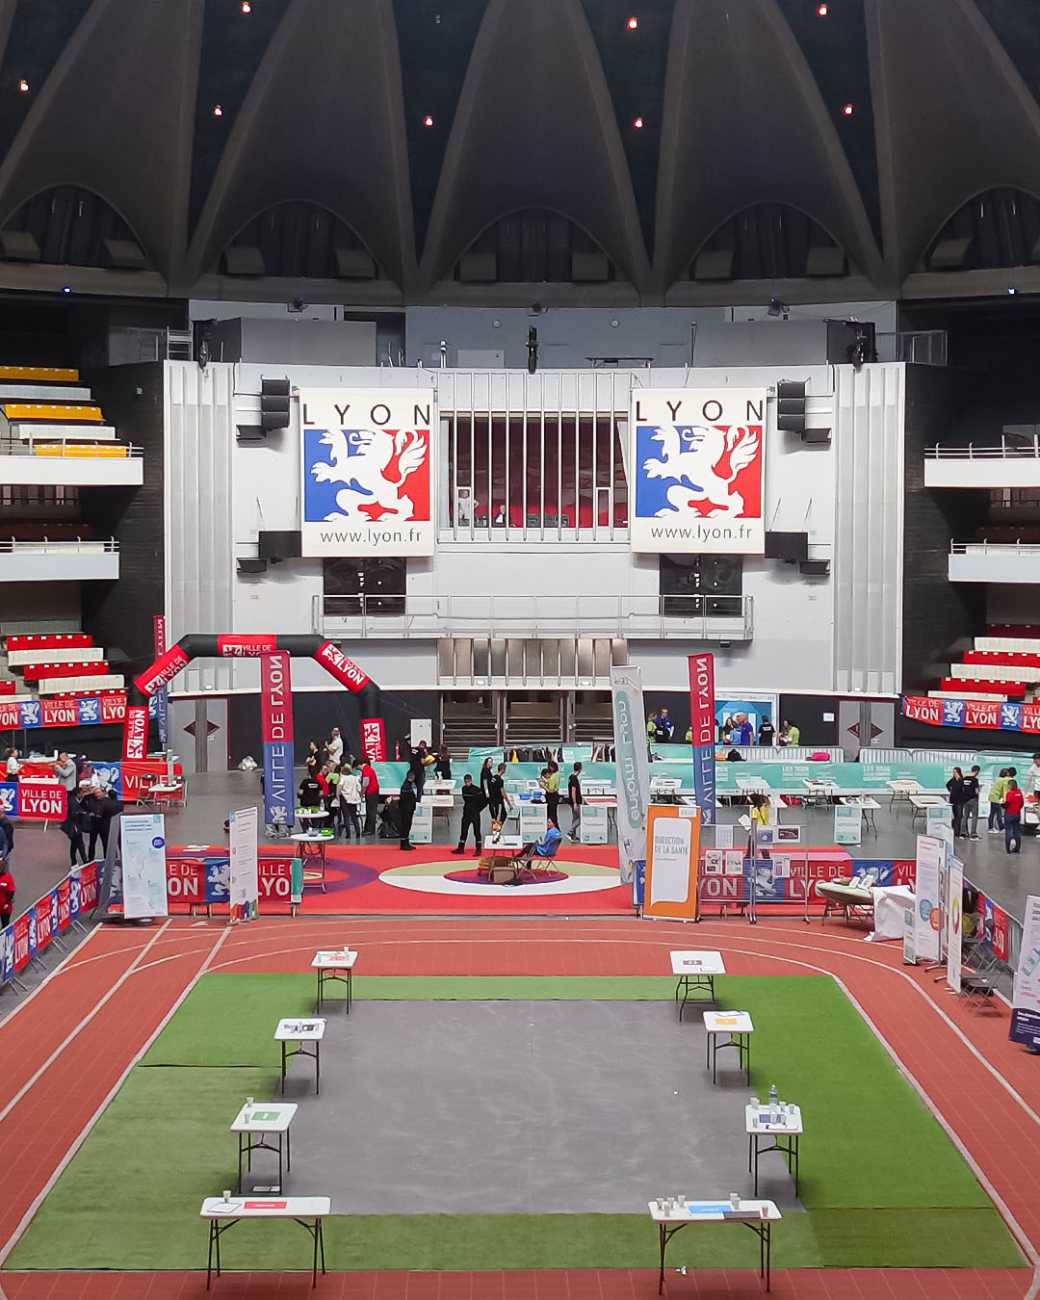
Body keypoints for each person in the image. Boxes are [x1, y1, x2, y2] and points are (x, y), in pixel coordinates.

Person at [82, 787, 123, 859]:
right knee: (92, 843)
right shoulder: (91, 800)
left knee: (105, 843)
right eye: (96, 793)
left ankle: (106, 858)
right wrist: (90, 793)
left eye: (99, 792)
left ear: (103, 793)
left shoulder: (107, 801)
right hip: (94, 825)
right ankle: (91, 859)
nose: (97, 794)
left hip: (104, 825)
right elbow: (84, 803)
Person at [452, 773, 486, 855]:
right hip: (466, 813)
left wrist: (478, 810)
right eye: (466, 781)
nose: (467, 783)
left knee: (477, 832)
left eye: (468, 781)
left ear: (471, 781)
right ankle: (461, 848)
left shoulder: (477, 790)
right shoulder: (463, 789)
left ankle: (478, 849)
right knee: (463, 831)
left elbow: (484, 802)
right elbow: (466, 800)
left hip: (475, 813)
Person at [338, 763, 362, 841]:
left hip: (345, 799)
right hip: (353, 799)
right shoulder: (355, 778)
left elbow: (340, 787)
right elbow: (359, 788)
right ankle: (358, 831)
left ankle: (348, 834)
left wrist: (337, 795)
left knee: (346, 816)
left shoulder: (343, 778)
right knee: (354, 816)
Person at [397, 772, 417, 851]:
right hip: (406, 809)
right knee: (406, 826)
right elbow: (407, 799)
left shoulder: (407, 785)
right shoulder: (406, 787)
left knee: (407, 825)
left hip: (407, 809)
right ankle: (404, 843)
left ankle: (406, 842)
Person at [946, 766, 968, 838]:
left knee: (959, 816)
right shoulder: (952, 780)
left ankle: (957, 832)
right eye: (953, 772)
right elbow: (947, 785)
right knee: (956, 816)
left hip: (960, 801)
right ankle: (955, 830)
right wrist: (950, 790)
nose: (954, 773)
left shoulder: (961, 780)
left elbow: (960, 788)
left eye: (955, 772)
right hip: (953, 800)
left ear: (958, 772)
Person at [360, 758, 380, 835]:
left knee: (371, 811)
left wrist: (361, 794)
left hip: (372, 792)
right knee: (370, 811)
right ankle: (368, 829)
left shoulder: (366, 769)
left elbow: (365, 783)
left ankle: (370, 830)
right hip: (373, 791)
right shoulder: (368, 769)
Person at [1005, 778, 1025, 854]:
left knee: (1009, 831)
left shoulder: (1009, 793)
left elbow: (1007, 803)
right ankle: (1017, 848)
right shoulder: (1019, 792)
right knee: (1017, 832)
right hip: (1017, 814)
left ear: (1010, 785)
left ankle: (1008, 850)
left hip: (1009, 814)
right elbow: (1022, 803)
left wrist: (1003, 805)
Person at [962, 765, 981, 840]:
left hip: (965, 800)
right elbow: (976, 791)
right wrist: (979, 790)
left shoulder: (964, 778)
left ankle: (963, 833)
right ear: (977, 771)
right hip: (973, 800)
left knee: (965, 816)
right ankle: (973, 834)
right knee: (974, 817)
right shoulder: (975, 780)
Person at [988, 767, 1009, 833]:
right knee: (998, 813)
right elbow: (1004, 791)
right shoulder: (1004, 780)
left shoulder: (998, 779)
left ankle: (991, 828)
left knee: (992, 813)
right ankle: (1000, 828)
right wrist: (1005, 800)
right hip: (996, 798)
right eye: (1008, 772)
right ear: (1006, 774)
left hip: (992, 796)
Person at [542, 761, 561, 829]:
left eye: (550, 767)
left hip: (552, 796)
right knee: (553, 812)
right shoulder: (556, 774)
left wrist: (543, 786)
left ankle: (553, 827)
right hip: (554, 795)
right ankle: (554, 827)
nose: (549, 768)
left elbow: (550, 789)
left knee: (551, 813)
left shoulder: (554, 776)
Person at [567, 761, 583, 841]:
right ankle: (570, 832)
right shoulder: (574, 779)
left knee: (575, 818)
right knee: (580, 818)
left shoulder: (571, 777)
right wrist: (575, 803)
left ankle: (573, 836)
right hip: (575, 802)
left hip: (573, 801)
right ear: (580, 769)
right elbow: (573, 791)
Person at [0, 858, 13, 927]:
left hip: (5, 908)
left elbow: (11, 891)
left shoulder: (8, 878)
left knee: (5, 925)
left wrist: (7, 903)